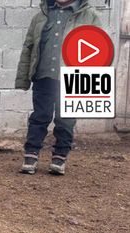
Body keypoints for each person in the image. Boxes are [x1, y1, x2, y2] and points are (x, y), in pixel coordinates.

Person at [15, 0, 101, 176]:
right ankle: (31, 154)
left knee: (66, 118)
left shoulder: (91, 16)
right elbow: (28, 48)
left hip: (72, 77)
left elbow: (98, 49)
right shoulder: (41, 16)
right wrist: (23, 77)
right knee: (40, 116)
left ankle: (60, 156)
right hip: (43, 75)